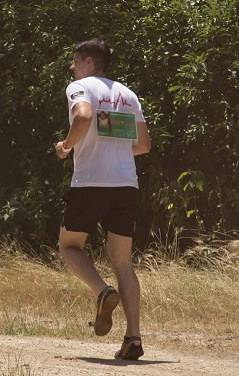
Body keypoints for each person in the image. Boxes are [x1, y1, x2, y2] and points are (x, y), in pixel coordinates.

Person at [54, 38, 151, 360]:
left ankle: (102, 291)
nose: (72, 67)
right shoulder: (128, 94)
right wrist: (115, 150)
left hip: (91, 182)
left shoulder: (80, 87)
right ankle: (133, 338)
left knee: (69, 246)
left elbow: (82, 117)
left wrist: (66, 146)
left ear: (89, 62)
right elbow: (144, 145)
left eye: (75, 60)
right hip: (126, 183)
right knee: (123, 263)